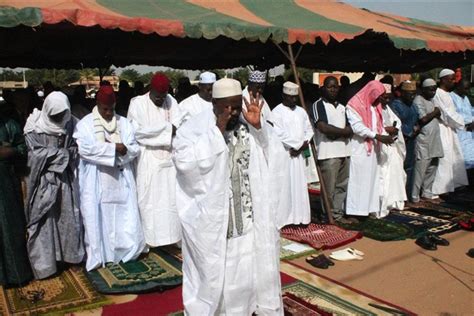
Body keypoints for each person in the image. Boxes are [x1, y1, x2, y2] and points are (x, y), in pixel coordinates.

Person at [174, 78, 286, 315]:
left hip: (247, 220)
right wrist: (216, 132)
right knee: (217, 277)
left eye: (236, 106)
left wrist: (260, 129)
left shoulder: (248, 124)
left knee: (247, 271)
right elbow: (184, 163)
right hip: (215, 225)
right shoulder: (194, 128)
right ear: (213, 103)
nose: (232, 112)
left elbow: (273, 158)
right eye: (226, 107)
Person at [73, 85, 145, 271]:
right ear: (97, 104)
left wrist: (122, 150)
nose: (108, 113)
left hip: (121, 179)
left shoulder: (124, 123)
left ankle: (126, 251)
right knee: (98, 218)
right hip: (96, 180)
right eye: (105, 109)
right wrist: (113, 148)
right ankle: (102, 255)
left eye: (111, 109)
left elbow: (134, 148)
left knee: (124, 217)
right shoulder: (86, 124)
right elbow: (84, 149)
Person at [23, 91, 84, 279]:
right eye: (54, 115)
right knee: (43, 221)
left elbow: (76, 149)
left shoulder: (72, 123)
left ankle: (71, 258)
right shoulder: (34, 126)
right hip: (42, 181)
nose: (58, 119)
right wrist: (62, 154)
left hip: (66, 181)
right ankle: (46, 265)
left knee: (68, 218)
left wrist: (63, 154)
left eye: (61, 115)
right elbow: (34, 155)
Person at [127, 73, 184, 248]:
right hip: (148, 161)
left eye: (163, 96)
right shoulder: (137, 104)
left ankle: (174, 238)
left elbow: (179, 124)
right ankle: (150, 241)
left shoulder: (171, 101)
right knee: (150, 202)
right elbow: (137, 132)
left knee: (172, 200)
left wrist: (161, 131)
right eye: (157, 96)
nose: (160, 99)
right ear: (150, 90)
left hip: (170, 161)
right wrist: (167, 130)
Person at [346, 81, 394, 218]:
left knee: (371, 180)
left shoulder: (375, 107)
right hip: (360, 147)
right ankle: (354, 212)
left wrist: (385, 136)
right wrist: (378, 136)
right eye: (379, 95)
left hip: (373, 148)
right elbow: (357, 127)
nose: (380, 98)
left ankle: (367, 209)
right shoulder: (354, 105)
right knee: (358, 180)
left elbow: (378, 126)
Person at [311, 76, 353, 223]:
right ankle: (326, 216)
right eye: (330, 87)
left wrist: (337, 133)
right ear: (323, 88)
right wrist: (342, 132)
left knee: (341, 186)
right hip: (328, 153)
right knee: (328, 188)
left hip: (345, 151)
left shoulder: (343, 107)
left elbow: (351, 128)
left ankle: (337, 214)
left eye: (336, 87)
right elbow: (323, 127)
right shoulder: (318, 105)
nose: (333, 89)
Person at [0, 103, 33, 286]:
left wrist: (9, 151)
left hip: (7, 185)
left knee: (11, 228)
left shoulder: (10, 125)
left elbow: (23, 149)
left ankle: (16, 275)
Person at [272, 81, 313, 225]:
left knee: (300, 187)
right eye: (290, 97)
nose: (293, 100)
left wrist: (301, 146)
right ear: (284, 96)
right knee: (286, 187)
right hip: (286, 155)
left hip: (299, 155)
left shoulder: (301, 111)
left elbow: (309, 130)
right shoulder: (276, 112)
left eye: (295, 97)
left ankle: (301, 218)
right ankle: (287, 219)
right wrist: (295, 146)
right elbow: (277, 133)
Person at [432, 69, 469, 194]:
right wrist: (464, 123)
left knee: (454, 156)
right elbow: (445, 113)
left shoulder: (447, 94)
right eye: (451, 79)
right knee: (445, 158)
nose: (453, 82)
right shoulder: (437, 93)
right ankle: (441, 189)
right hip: (442, 128)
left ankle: (454, 184)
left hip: (450, 128)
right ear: (443, 79)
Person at [411, 78, 444, 202]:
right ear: (423, 89)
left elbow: (439, 114)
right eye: (431, 90)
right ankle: (415, 197)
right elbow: (423, 119)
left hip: (434, 139)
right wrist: (435, 112)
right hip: (424, 140)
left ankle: (427, 192)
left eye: (435, 90)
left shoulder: (432, 100)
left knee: (433, 166)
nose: (433, 92)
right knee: (420, 169)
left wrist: (436, 113)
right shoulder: (418, 100)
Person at [380, 84, 407, 214]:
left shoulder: (388, 109)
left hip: (392, 146)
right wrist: (386, 130)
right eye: (384, 97)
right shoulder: (375, 110)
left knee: (397, 174)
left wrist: (394, 129)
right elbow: (372, 128)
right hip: (381, 147)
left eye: (388, 98)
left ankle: (395, 202)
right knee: (384, 176)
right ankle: (384, 203)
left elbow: (397, 123)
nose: (387, 100)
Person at [390, 80, 419, 196]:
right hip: (400, 141)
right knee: (399, 168)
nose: (412, 96)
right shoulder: (395, 105)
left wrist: (416, 129)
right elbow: (396, 123)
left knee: (410, 168)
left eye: (414, 93)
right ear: (402, 93)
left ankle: (407, 195)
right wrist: (408, 133)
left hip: (412, 141)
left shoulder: (414, 106)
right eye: (410, 93)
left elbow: (417, 120)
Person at [451, 79, 474, 169]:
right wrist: (466, 124)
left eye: (468, 89)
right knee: (462, 160)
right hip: (460, 131)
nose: (467, 91)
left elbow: (470, 111)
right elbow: (453, 116)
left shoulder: (465, 98)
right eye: (465, 88)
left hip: (469, 133)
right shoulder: (451, 97)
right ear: (458, 87)